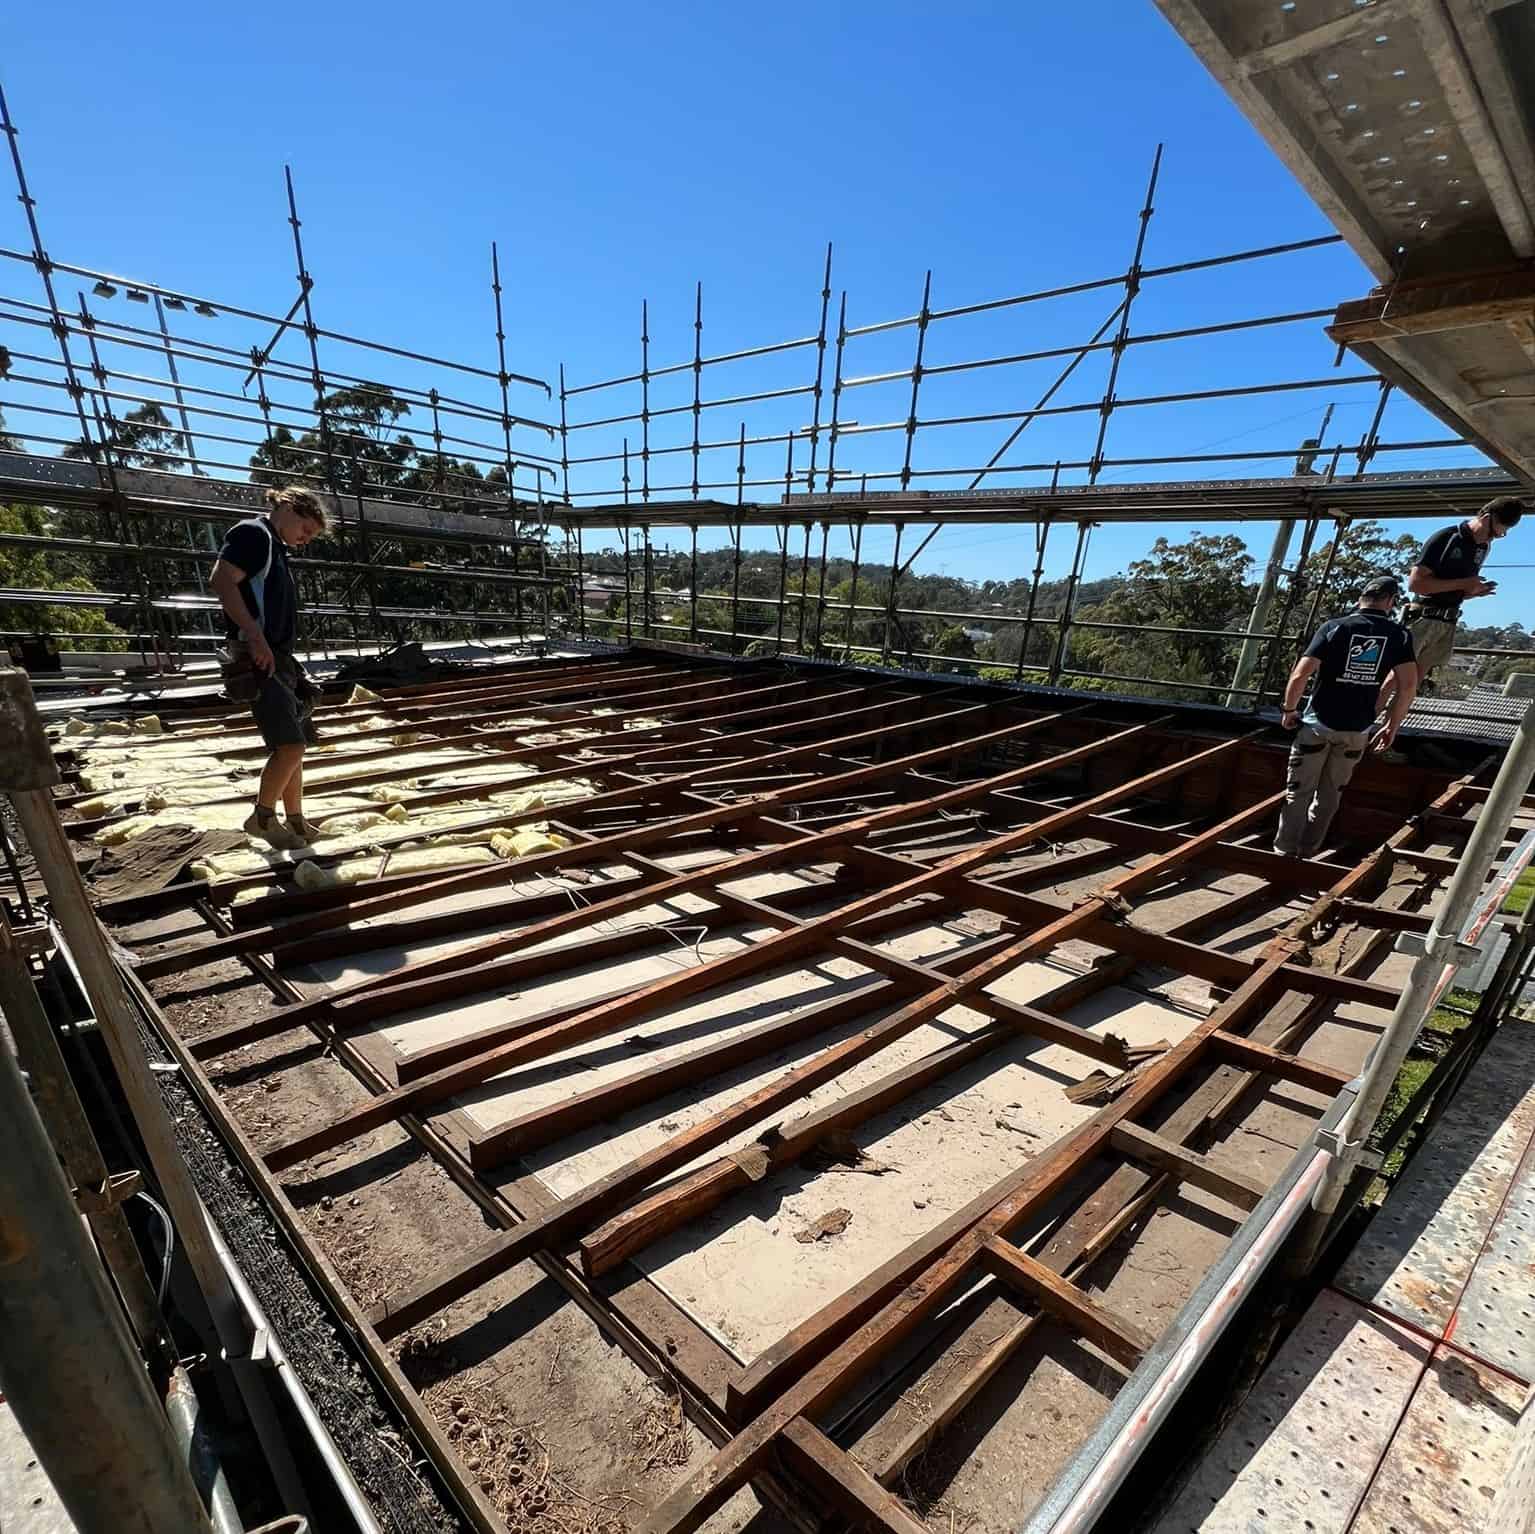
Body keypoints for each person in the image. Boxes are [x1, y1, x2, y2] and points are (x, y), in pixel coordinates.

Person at [209, 487, 331, 850]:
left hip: (278, 656)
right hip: (259, 655)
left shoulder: (273, 545)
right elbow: (221, 580)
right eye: (306, 529)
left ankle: (295, 821)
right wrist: (254, 636)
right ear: (290, 508)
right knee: (289, 745)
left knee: (298, 744)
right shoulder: (253, 534)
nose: (305, 539)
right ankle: (262, 818)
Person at [1273, 574, 1418, 860]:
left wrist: (1289, 710)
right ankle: (1308, 851)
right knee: (1330, 796)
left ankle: (1283, 854)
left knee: (1298, 793)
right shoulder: (1398, 635)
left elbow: (1301, 673)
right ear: (1390, 602)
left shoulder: (1334, 627)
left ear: (1361, 598)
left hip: (1318, 725)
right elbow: (1408, 686)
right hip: (1357, 730)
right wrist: (1392, 725)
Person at [1403, 495, 1524, 690]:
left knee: (1414, 684)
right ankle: (1369, 717)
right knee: (1397, 679)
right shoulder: (1447, 537)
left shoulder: (1483, 548)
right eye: (1496, 532)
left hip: (1447, 620)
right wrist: (1465, 582)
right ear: (1486, 518)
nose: (1495, 537)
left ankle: (1394, 721)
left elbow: (1455, 589)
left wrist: (1473, 591)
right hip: (1422, 617)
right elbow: (1416, 585)